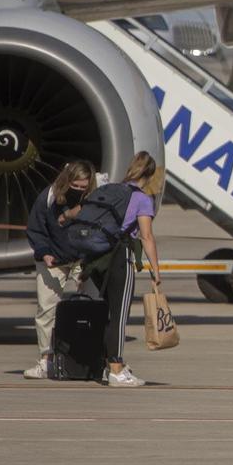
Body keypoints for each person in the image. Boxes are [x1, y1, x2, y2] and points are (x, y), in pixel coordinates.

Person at [80, 152, 163, 388]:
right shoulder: (141, 199)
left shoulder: (108, 191)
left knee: (103, 313)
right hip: (119, 257)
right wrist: (156, 271)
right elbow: (146, 237)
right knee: (119, 315)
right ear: (148, 174)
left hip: (96, 257)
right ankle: (116, 368)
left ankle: (106, 366)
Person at [24, 159, 97, 379]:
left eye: (84, 187)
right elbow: (35, 229)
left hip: (82, 258)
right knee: (46, 310)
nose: (80, 191)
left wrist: (89, 260)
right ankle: (46, 359)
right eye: (76, 186)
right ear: (67, 182)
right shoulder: (48, 197)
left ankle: (92, 359)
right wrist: (44, 252)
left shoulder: (93, 196)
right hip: (53, 259)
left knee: (94, 305)